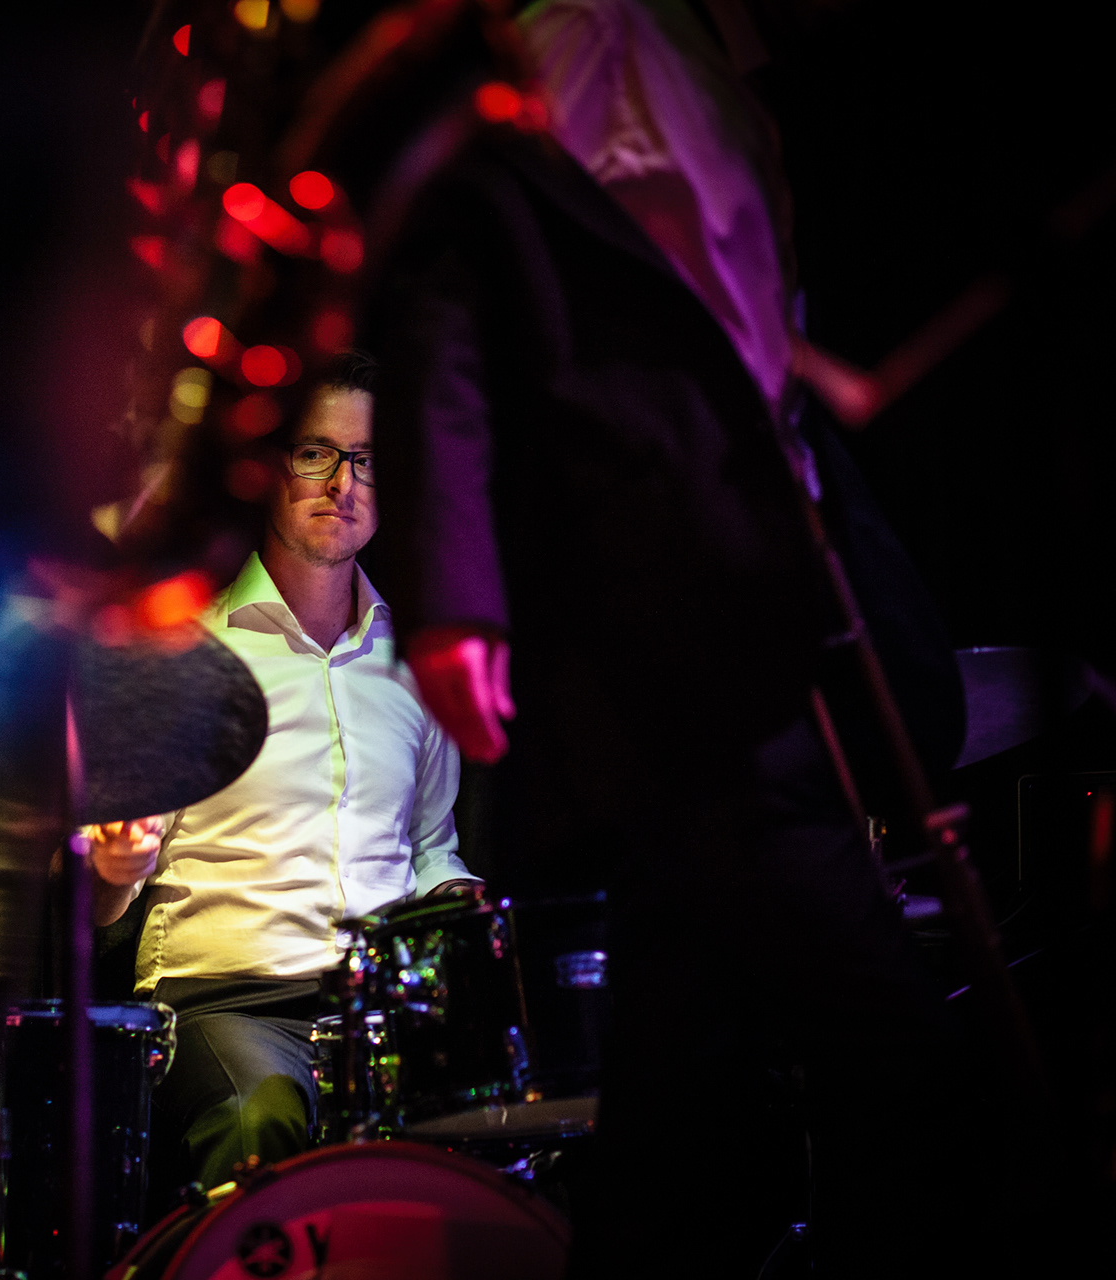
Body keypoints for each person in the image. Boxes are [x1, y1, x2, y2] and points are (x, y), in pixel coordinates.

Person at [364, 1, 981, 1272]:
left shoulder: (701, 49)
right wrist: (457, 596)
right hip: (675, 602)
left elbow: (708, 300)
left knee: (687, 1069)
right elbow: (460, 304)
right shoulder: (593, 29)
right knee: (886, 1043)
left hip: (742, 578)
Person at [84, 354, 479, 1192]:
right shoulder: (185, 646)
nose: (343, 483)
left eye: (365, 460)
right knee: (261, 1121)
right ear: (270, 468)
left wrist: (463, 900)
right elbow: (97, 893)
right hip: (224, 1001)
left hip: (380, 1012)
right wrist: (114, 869)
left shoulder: (414, 660)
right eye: (316, 454)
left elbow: (429, 849)